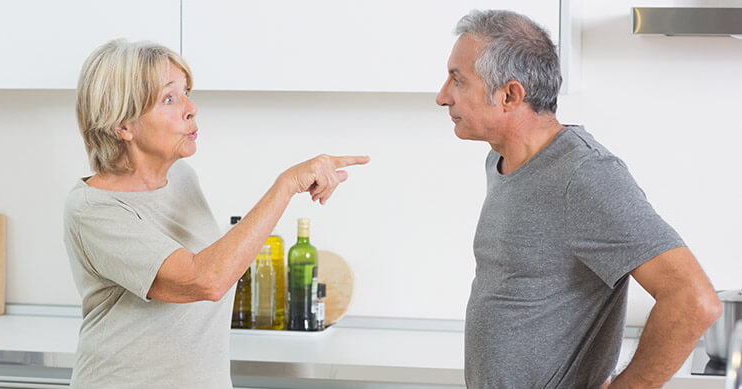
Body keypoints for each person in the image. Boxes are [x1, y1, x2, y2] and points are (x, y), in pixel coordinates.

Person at [435, 9, 722, 388]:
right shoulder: (501, 161)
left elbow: (693, 302)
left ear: (510, 95)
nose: (442, 97)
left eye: (458, 81)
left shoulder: (583, 174)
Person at [63, 39, 368, 388]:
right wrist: (286, 185)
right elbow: (204, 280)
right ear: (123, 125)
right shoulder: (94, 209)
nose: (191, 107)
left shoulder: (180, 176)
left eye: (187, 92)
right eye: (169, 98)